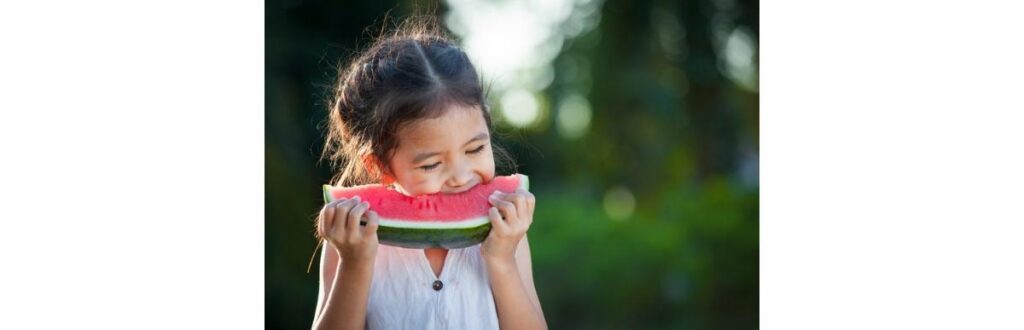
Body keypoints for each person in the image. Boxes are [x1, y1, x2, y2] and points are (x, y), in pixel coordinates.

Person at [311, 18, 547, 330]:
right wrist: (354, 264)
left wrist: (502, 260)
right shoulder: (351, 237)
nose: (461, 176)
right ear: (380, 166)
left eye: (475, 149)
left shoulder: (506, 231)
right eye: (431, 165)